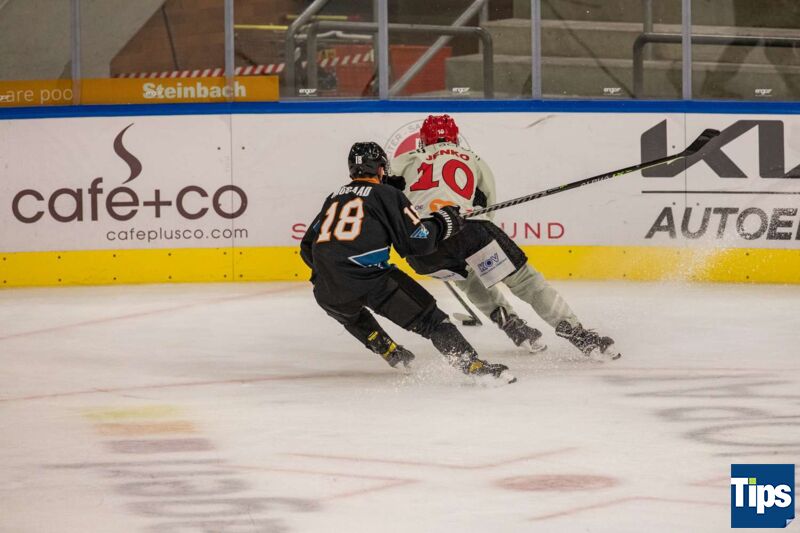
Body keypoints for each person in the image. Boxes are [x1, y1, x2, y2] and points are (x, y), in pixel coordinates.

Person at [389, 115, 620, 360]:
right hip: (468, 230)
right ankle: (576, 333)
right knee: (525, 281)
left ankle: (512, 325)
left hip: (421, 248)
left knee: (467, 280)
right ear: (455, 138)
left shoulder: (405, 159)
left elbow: (383, 196)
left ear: (423, 140)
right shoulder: (472, 158)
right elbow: (487, 209)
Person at [300, 141, 516, 383]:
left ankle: (389, 350)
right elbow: (416, 243)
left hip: (325, 290)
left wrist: (332, 273)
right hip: (370, 281)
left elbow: (307, 246)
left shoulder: (334, 197)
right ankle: (472, 365)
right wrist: (444, 222)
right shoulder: (387, 195)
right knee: (434, 322)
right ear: (381, 169)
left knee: (352, 315)